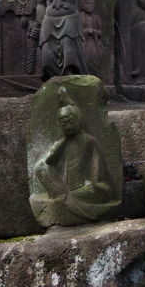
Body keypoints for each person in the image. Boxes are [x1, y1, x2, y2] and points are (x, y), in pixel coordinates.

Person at [31, 88, 117, 224]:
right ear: (59, 126)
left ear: (79, 121)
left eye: (71, 122)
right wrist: (61, 143)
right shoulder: (62, 143)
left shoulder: (89, 140)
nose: (68, 127)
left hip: (85, 189)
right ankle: (64, 197)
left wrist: (97, 184)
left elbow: (96, 167)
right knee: (40, 166)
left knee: (102, 191)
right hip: (63, 187)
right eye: (63, 124)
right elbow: (48, 161)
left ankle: (66, 200)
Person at [30, 0, 91, 80]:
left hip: (69, 23)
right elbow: (41, 5)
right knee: (48, 55)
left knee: (69, 55)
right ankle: (53, 80)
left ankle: (71, 79)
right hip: (48, 24)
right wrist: (38, 23)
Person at [80, 0, 103, 76]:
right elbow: (76, 31)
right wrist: (86, 31)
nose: (90, 6)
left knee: (96, 59)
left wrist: (94, 32)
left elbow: (100, 33)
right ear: (82, 4)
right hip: (83, 43)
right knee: (83, 59)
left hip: (94, 43)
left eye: (92, 3)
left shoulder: (97, 18)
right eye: (87, 3)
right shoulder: (79, 17)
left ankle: (95, 75)